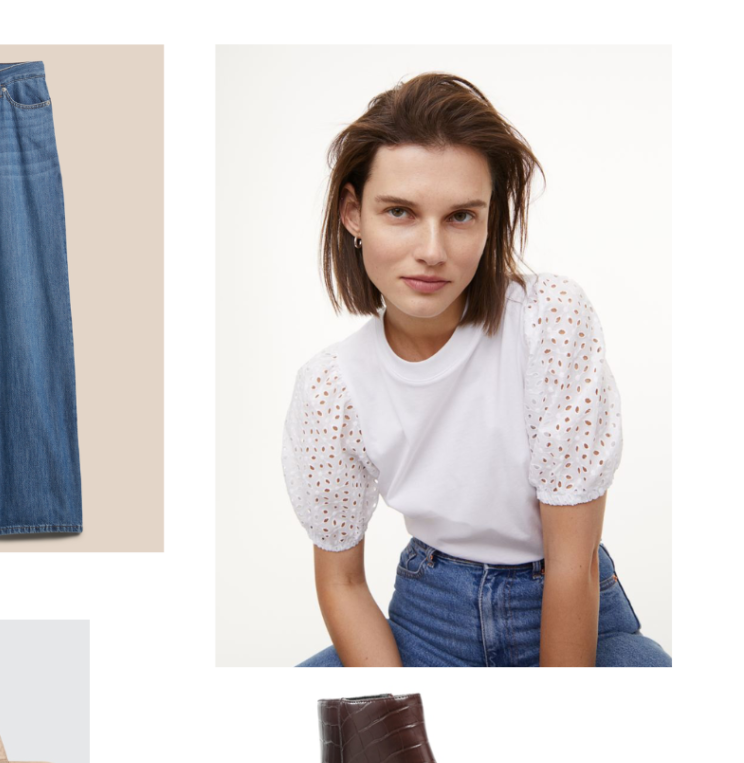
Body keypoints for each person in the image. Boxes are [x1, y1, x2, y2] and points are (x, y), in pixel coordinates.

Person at [281, 72, 671, 667]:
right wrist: (400, 713)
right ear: (353, 214)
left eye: (461, 216)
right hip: (427, 622)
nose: (432, 250)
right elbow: (343, 583)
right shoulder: (334, 387)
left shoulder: (549, 323)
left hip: (569, 612)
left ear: (491, 220)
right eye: (401, 212)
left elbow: (574, 563)